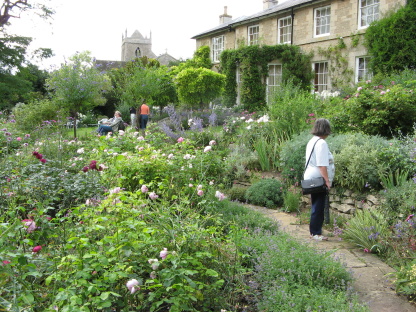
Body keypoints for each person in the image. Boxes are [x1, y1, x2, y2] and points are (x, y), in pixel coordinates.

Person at [304, 118, 335, 241]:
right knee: (318, 205)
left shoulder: (312, 141)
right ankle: (316, 233)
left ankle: (315, 231)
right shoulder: (321, 143)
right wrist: (327, 181)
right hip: (318, 177)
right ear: (326, 129)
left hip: (311, 176)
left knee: (316, 204)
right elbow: (322, 164)